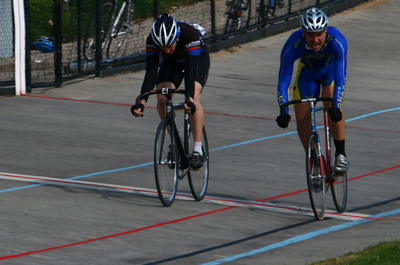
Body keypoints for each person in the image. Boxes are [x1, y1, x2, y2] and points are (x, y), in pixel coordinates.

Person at [275, 7, 349, 174]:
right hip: (307, 73)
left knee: (328, 98)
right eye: (310, 35)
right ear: (303, 34)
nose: (315, 40)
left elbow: (340, 78)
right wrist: (284, 110)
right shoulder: (293, 44)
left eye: (319, 35)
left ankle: (341, 154)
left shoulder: (337, 40)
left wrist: (336, 105)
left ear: (325, 32)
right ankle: (314, 159)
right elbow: (283, 81)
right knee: (301, 116)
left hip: (329, 71)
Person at [131, 13, 210, 169]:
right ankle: (173, 142)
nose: (166, 50)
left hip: (196, 60)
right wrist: (141, 101)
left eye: (169, 46)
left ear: (177, 38)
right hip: (172, 63)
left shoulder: (190, 36)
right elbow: (151, 71)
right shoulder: (153, 40)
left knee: (193, 96)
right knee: (161, 99)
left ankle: (197, 150)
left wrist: (188, 98)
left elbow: (190, 71)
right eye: (162, 47)